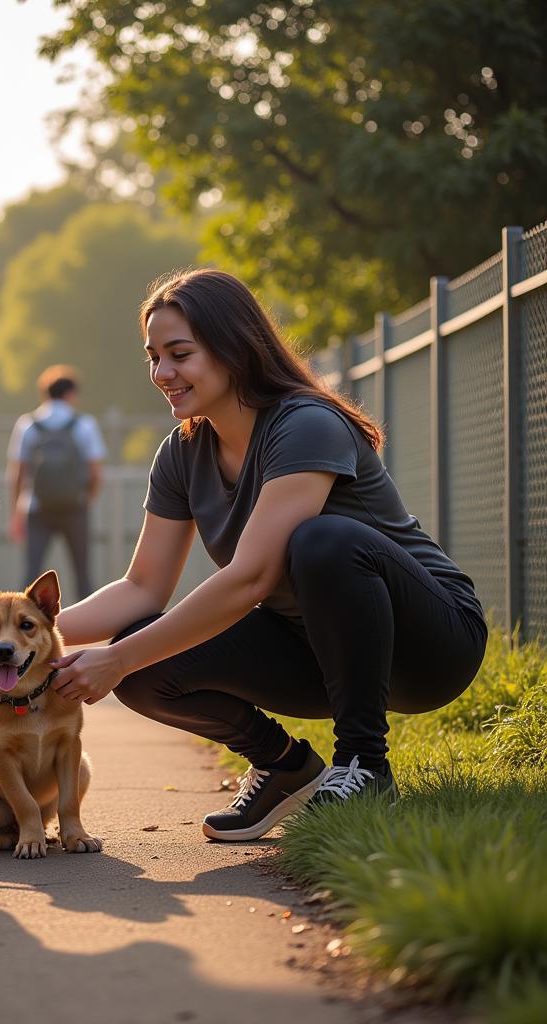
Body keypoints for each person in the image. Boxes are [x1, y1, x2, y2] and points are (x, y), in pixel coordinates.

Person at [48, 269, 488, 842]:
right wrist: (26, 635)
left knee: (323, 540)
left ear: (234, 347)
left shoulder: (305, 424)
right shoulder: (183, 454)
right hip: (315, 652)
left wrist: (117, 658)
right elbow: (142, 588)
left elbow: (251, 578)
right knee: (141, 666)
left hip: (431, 644)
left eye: (179, 354)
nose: (162, 374)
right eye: (153, 357)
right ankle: (284, 766)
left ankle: (363, 766)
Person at [7, 365, 106, 600]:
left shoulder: (28, 424)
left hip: (37, 508)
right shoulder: (84, 424)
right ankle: (88, 629)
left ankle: (21, 625)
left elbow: (17, 473)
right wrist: (87, 499)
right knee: (82, 574)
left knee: (31, 574)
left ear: (45, 393)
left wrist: (16, 513)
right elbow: (95, 472)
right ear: (71, 394)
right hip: (75, 507)